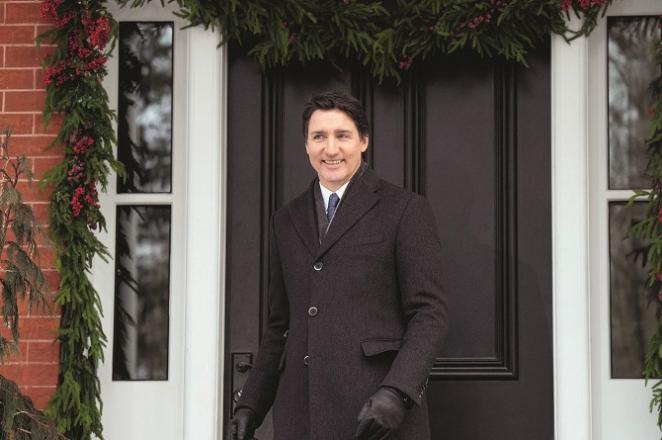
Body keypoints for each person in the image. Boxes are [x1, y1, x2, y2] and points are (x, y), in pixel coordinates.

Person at [230, 89, 447, 440]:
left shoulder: (405, 209)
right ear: (306, 145)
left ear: (363, 141)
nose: (330, 149)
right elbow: (280, 326)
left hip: (376, 415)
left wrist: (398, 391)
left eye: (342, 136)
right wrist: (250, 406)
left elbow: (429, 314)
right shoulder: (285, 221)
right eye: (319, 137)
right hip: (300, 416)